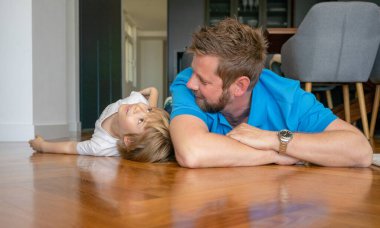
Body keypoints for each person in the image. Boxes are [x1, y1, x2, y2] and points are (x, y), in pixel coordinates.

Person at [169, 18, 372, 168]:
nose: (191, 83)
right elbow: (192, 152)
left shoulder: (287, 97)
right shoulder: (188, 83)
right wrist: (274, 156)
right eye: (194, 72)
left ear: (239, 86)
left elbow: (360, 151)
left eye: (203, 80)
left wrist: (275, 140)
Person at [29, 87, 174, 163]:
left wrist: (42, 145)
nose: (140, 108)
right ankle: (168, 104)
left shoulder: (100, 146)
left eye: (140, 120)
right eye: (147, 110)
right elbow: (150, 107)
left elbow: (71, 147)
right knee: (153, 104)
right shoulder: (136, 102)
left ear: (128, 140)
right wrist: (153, 91)